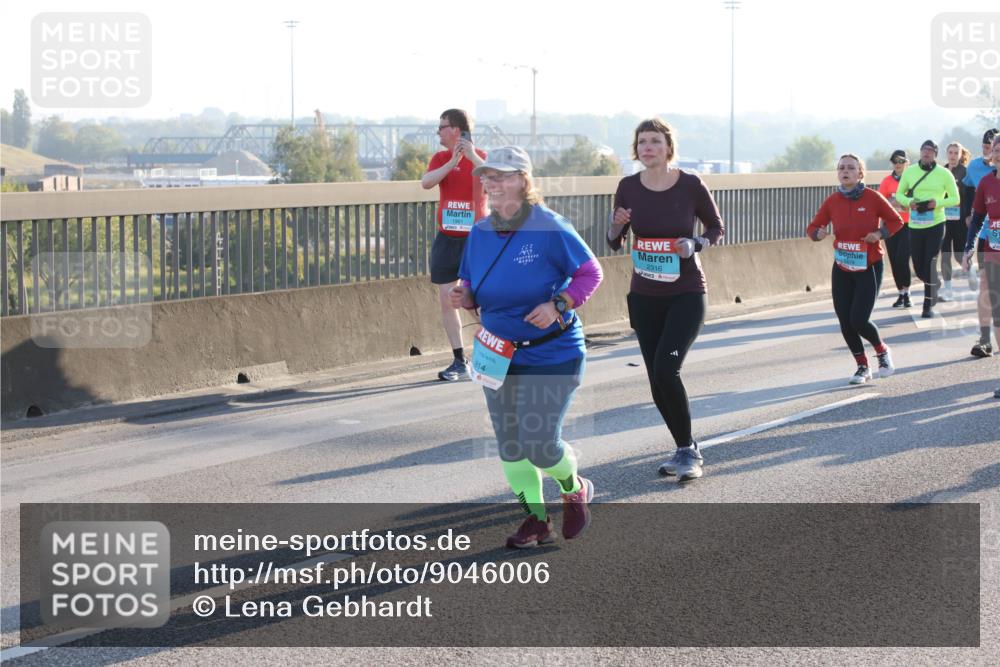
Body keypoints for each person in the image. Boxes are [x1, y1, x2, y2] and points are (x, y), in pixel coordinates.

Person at [449, 146, 604, 548]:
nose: (492, 184)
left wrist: (558, 304)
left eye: (500, 176)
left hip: (552, 352)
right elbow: (470, 281)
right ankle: (536, 519)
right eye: (487, 177)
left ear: (522, 179)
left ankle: (573, 487)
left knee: (539, 444)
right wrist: (463, 295)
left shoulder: (549, 227)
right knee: (511, 444)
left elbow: (590, 272)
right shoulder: (481, 231)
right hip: (497, 352)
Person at [606, 118, 724, 482]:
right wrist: (615, 223)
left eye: (655, 141)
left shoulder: (689, 184)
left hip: (686, 292)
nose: (647, 147)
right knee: (655, 378)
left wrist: (695, 244)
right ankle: (682, 446)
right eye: (642, 142)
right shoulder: (627, 186)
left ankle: (689, 451)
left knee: (665, 369)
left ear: (668, 147)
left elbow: (716, 228)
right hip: (644, 295)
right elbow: (615, 241)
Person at [807, 155, 905, 384]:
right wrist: (817, 234)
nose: (845, 171)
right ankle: (862, 366)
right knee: (845, 321)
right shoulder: (832, 201)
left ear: (860, 173)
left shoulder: (873, 198)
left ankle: (881, 351)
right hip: (842, 267)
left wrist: (879, 234)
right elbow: (813, 227)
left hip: (868, 265)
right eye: (841, 168)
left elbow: (896, 221)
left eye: (851, 167)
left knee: (859, 320)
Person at [421, 109, 487, 381]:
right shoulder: (439, 158)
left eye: (442, 126)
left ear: (457, 130)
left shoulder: (481, 157)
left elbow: (493, 183)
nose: (438, 131)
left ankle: (497, 350)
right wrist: (452, 162)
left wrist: (470, 157)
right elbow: (426, 183)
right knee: (448, 300)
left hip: (476, 239)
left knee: (478, 302)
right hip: (447, 238)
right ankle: (459, 360)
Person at [893, 139, 960, 318]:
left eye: (930, 150)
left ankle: (927, 305)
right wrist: (910, 202)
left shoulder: (945, 174)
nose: (926, 153)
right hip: (915, 225)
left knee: (930, 262)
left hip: (936, 224)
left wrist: (936, 203)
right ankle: (934, 283)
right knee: (918, 265)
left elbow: (955, 198)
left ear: (935, 155)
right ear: (920, 152)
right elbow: (899, 194)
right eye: (924, 149)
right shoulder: (910, 172)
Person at [962, 134, 1000, 398]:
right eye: (996, 148)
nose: (998, 152)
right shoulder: (986, 183)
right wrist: (969, 246)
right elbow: (977, 219)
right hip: (994, 254)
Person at [878, 149, 913, 308]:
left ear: (907, 163)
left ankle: (907, 292)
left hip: (908, 225)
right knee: (893, 260)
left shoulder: (913, 180)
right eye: (895, 161)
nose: (898, 164)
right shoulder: (886, 182)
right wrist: (898, 201)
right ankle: (900, 293)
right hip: (890, 225)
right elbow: (882, 204)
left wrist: (895, 201)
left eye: (901, 161)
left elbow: (911, 203)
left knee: (902, 258)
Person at [939, 142, 972, 302]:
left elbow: (970, 195)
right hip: (944, 219)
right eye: (950, 152)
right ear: (946, 154)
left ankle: (972, 274)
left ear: (960, 155)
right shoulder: (941, 171)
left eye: (955, 153)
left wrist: (969, 215)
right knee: (945, 254)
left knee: (959, 255)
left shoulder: (965, 172)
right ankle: (948, 289)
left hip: (960, 220)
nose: (952, 156)